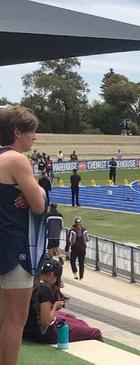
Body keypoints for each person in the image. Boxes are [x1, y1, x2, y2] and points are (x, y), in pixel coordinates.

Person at [0, 105, 47, 365]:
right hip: (15, 248)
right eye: (32, 132)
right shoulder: (17, 160)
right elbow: (39, 205)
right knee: (15, 320)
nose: (35, 137)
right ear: (17, 132)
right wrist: (36, 190)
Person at [23, 260, 103, 344]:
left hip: (27, 329)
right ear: (53, 275)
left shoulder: (33, 281)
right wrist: (55, 307)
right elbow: (45, 322)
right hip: (44, 333)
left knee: (70, 317)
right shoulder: (44, 288)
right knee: (95, 332)